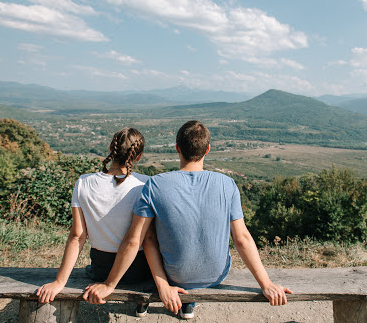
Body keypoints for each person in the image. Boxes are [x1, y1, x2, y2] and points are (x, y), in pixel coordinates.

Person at [83, 120, 292, 319]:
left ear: (177, 148)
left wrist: (109, 285)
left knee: (152, 232)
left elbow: (136, 240)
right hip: (217, 274)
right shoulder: (227, 184)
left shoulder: (156, 185)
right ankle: (187, 303)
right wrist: (266, 284)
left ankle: (157, 297)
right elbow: (242, 239)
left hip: (174, 276)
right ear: (207, 149)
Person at [36, 127, 152, 317]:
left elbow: (77, 236)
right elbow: (145, 238)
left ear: (110, 149)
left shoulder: (84, 182)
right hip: (139, 270)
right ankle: (141, 302)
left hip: (101, 269)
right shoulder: (146, 184)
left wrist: (59, 282)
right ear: (138, 156)